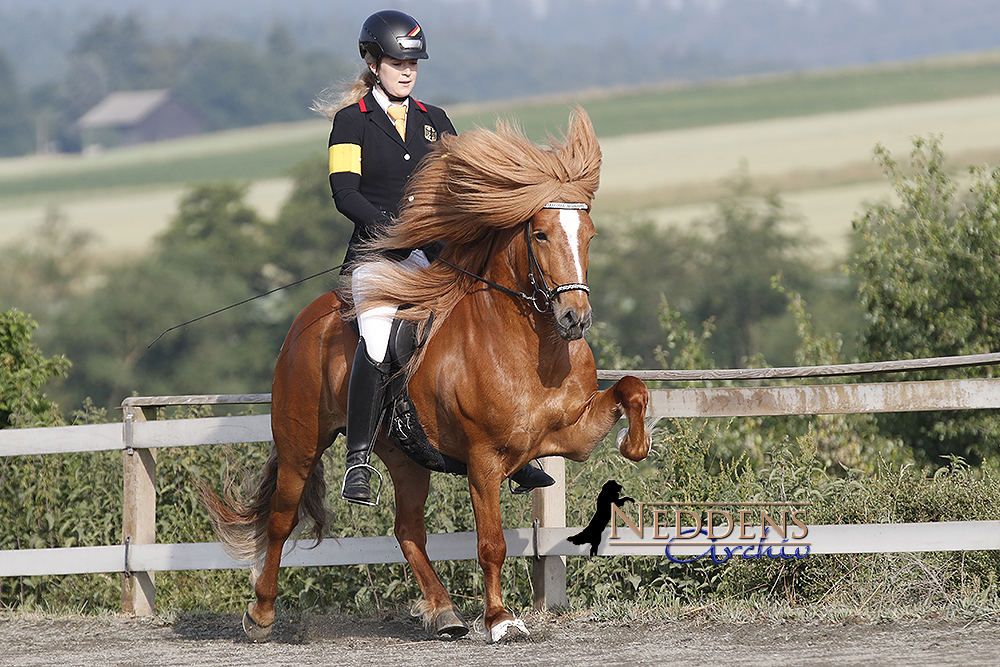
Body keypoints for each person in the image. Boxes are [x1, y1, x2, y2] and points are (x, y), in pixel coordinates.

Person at [318, 9, 554, 505]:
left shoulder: (435, 121)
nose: (406, 71)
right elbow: (345, 195)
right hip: (376, 256)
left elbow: (455, 189)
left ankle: (513, 449)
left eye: (413, 64)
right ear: (373, 61)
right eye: (395, 61)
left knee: (484, 321)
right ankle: (358, 458)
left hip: (432, 256)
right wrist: (397, 231)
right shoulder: (350, 122)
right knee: (379, 335)